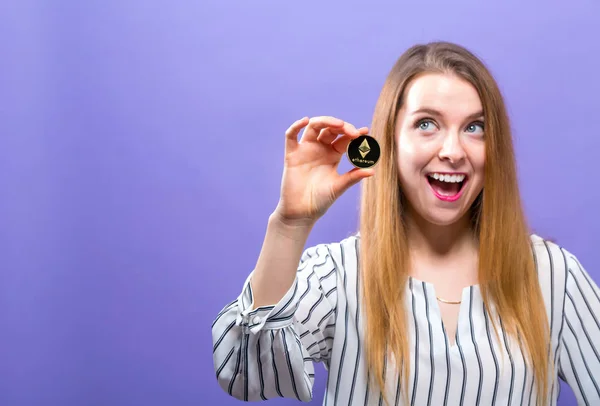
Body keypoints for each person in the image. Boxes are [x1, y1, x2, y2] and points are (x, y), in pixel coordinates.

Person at [211, 41, 600, 405]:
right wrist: (290, 225)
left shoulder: (553, 276)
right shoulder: (337, 274)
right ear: (390, 142)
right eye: (427, 124)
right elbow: (246, 373)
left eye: (474, 127)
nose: (452, 152)